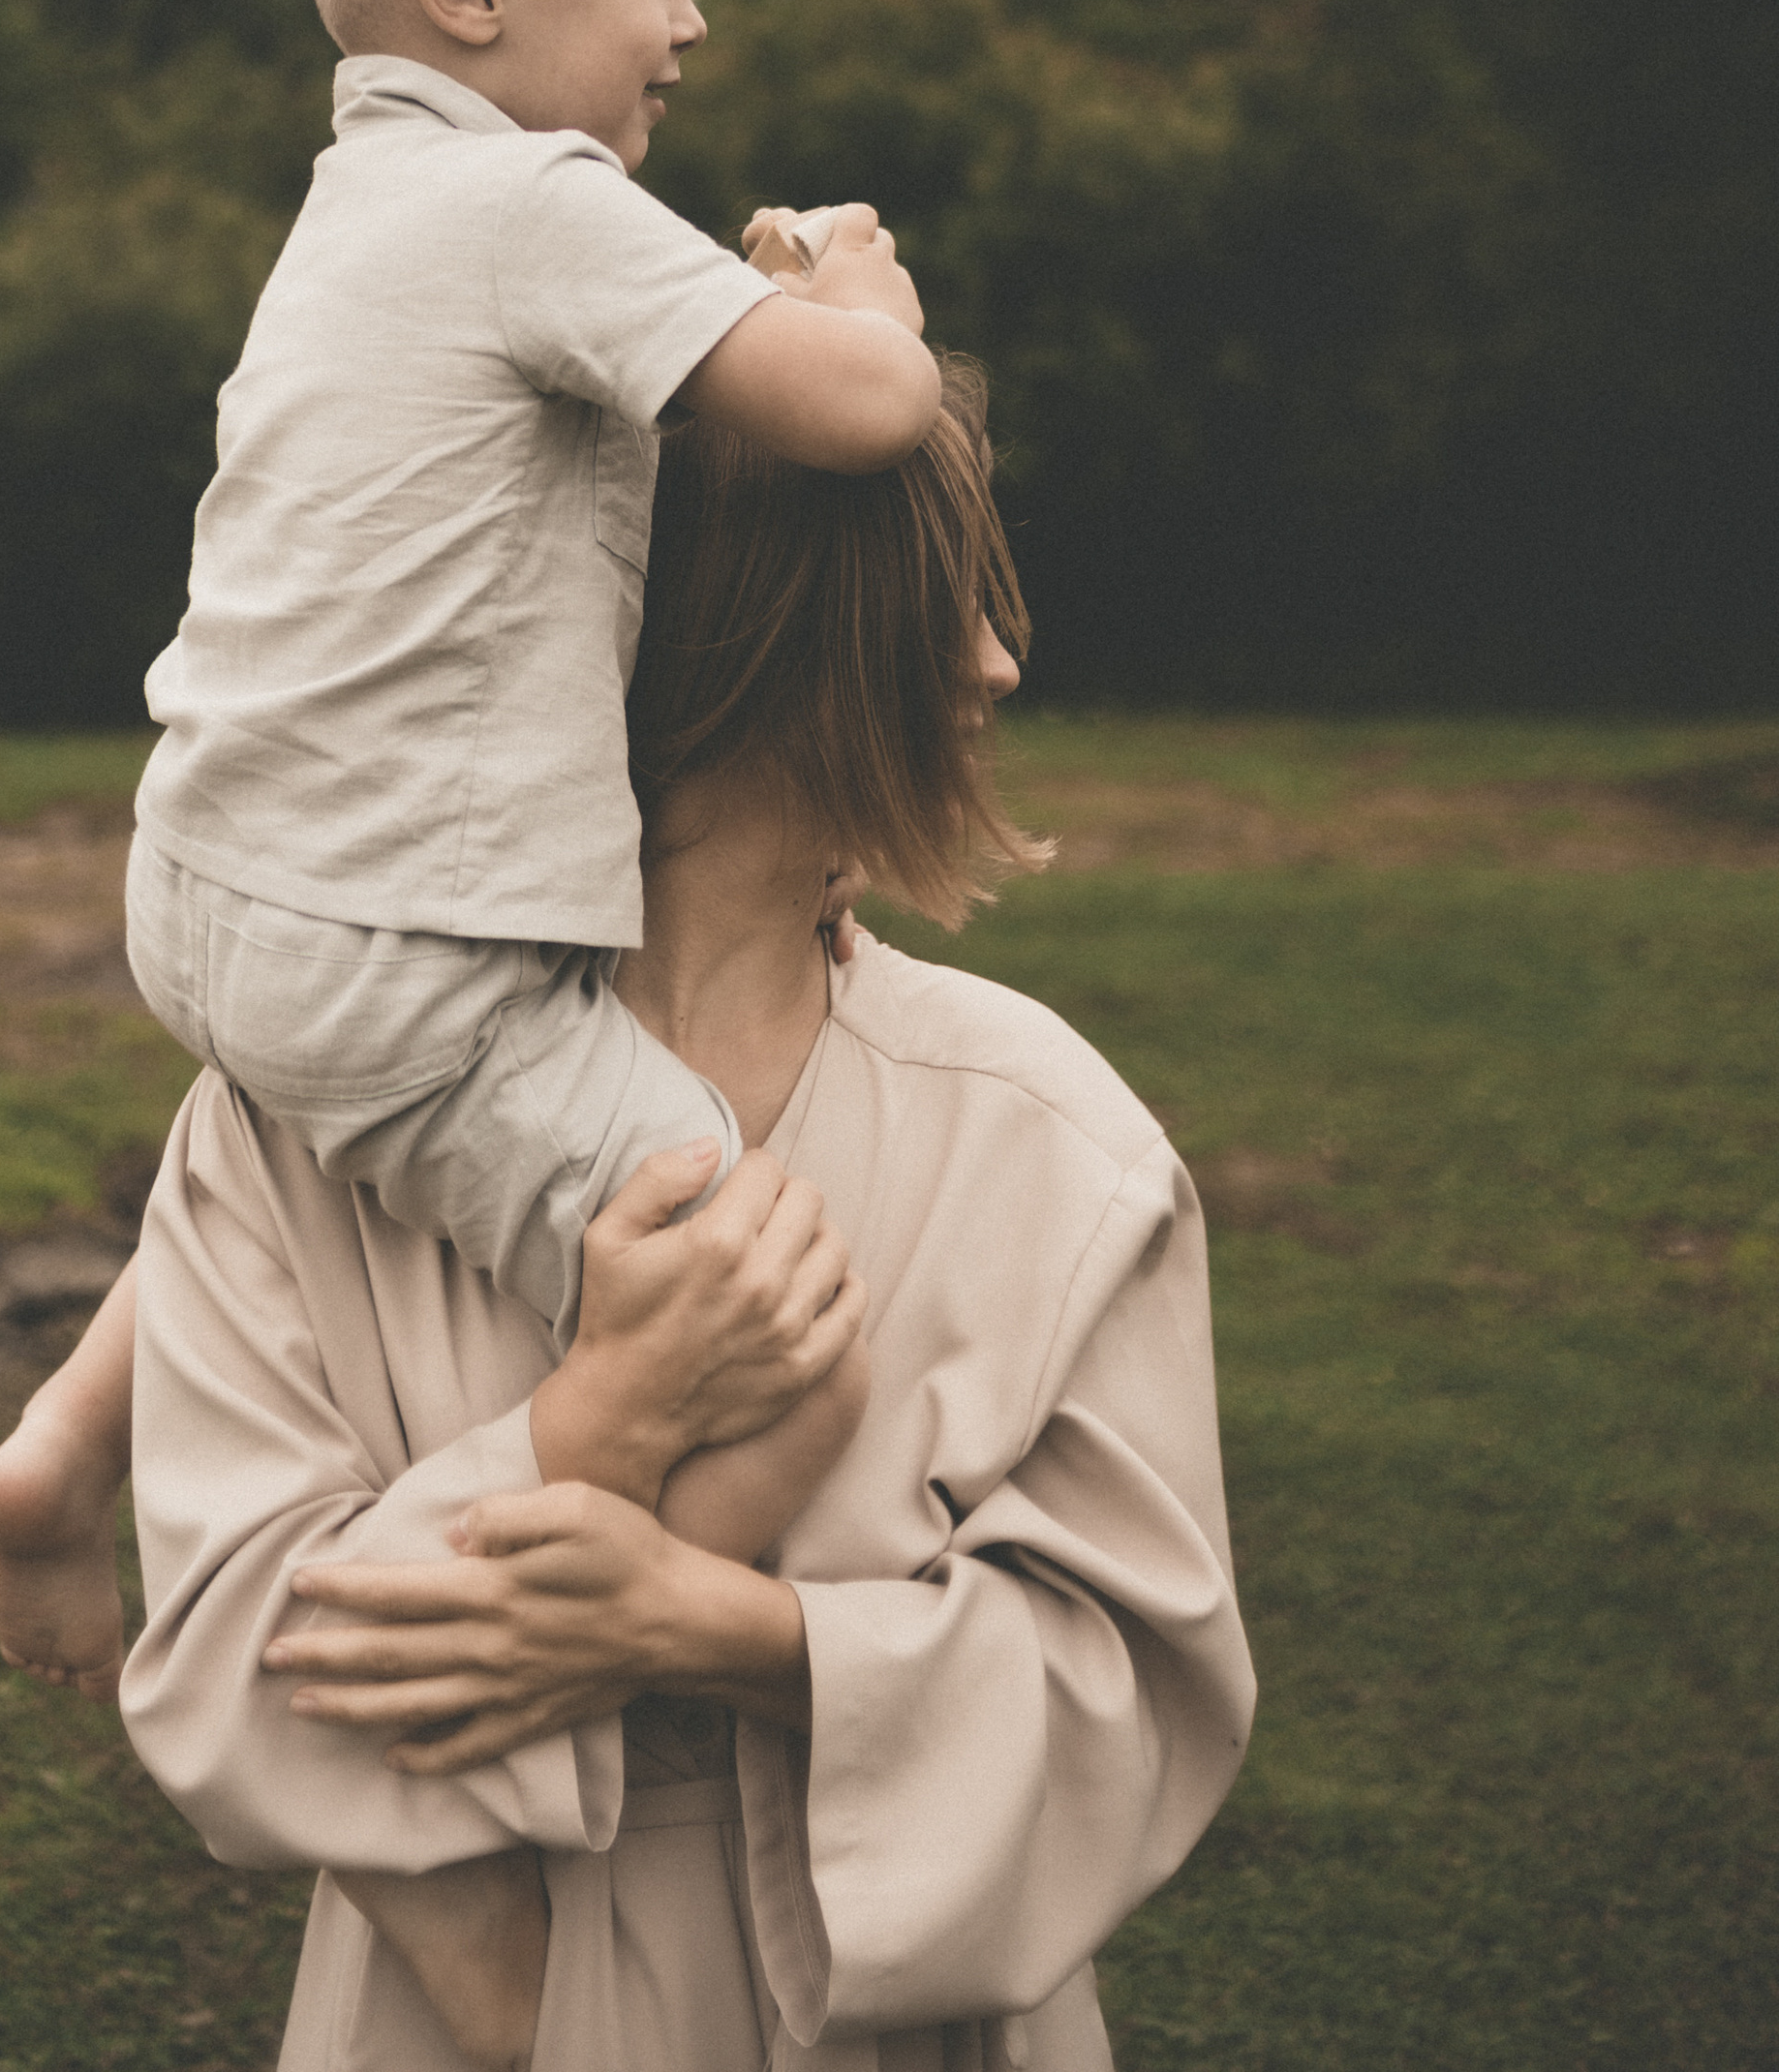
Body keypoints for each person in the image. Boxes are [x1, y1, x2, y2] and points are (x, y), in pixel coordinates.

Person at [118, 359, 1256, 2071]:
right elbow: (223, 1671)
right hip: (448, 2024)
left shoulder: (1050, 1142)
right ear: (747, 633)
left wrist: (725, 1634)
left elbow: (1139, 1693)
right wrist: (595, 1432)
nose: (997, 660)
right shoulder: (290, 1136)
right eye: (937, 597)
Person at [0, 0, 933, 1736]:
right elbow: (859, 420)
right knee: (773, 1321)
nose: (693, 25)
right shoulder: (532, 206)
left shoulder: (347, 227)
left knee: (315, 1138)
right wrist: (867, 298)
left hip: (217, 889)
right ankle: (531, 1663)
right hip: (401, 943)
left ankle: (61, 1446)